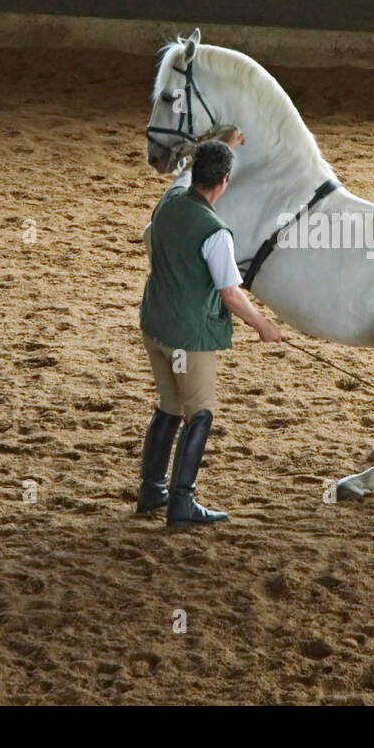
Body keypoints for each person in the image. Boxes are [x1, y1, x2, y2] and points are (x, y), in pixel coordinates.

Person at [137, 136, 281, 528]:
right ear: (224, 181)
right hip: (187, 337)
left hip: (155, 324)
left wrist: (218, 145)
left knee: (168, 406)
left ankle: (151, 488)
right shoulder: (215, 232)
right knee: (199, 413)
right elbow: (231, 295)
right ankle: (182, 502)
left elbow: (182, 178)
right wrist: (264, 326)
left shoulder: (170, 200)